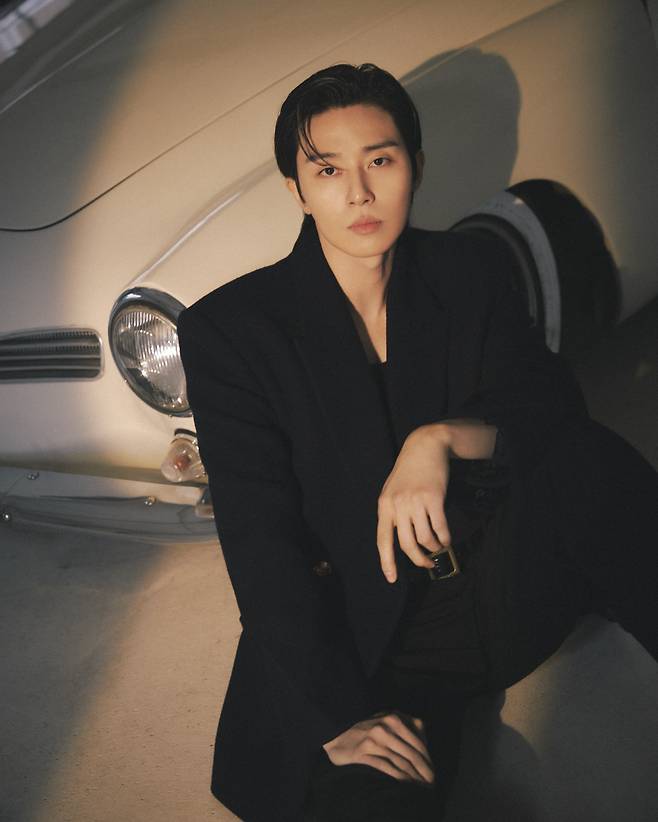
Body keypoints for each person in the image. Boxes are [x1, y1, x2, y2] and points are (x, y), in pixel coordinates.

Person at [177, 63, 658, 822]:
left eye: (381, 159)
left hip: (503, 585)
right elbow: (259, 542)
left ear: (417, 167)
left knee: (588, 464)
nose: (359, 193)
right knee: (364, 801)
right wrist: (341, 715)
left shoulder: (466, 267)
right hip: (376, 643)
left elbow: (548, 402)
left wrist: (439, 439)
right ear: (296, 190)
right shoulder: (232, 331)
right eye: (328, 170)